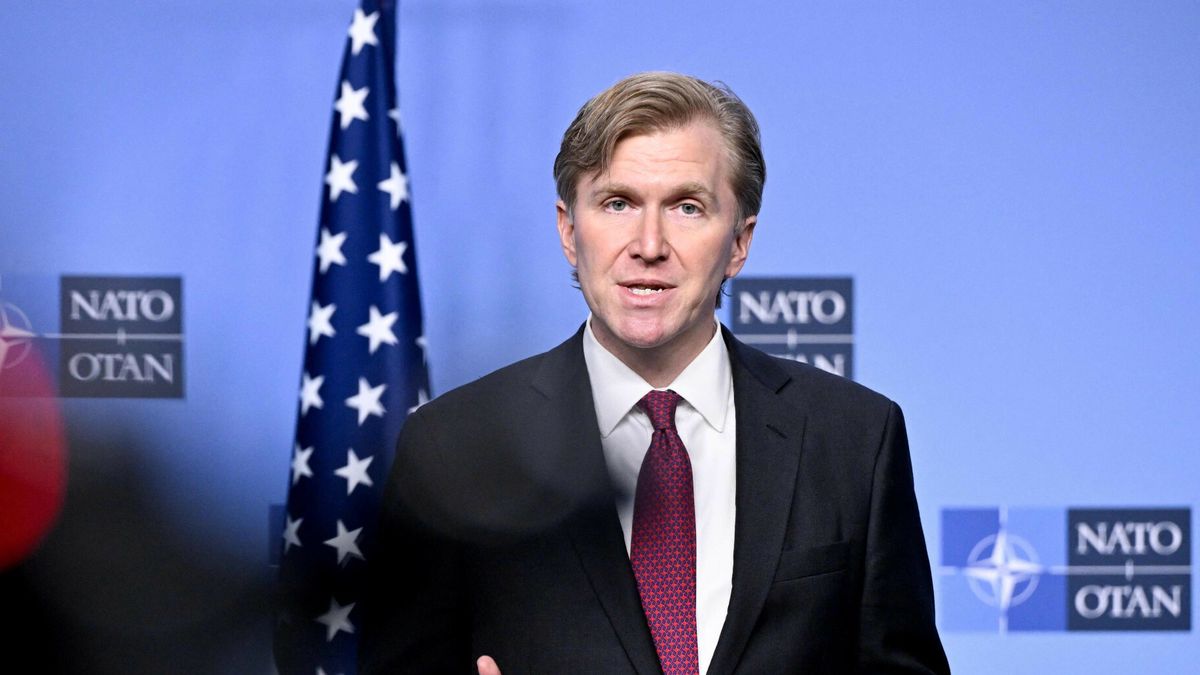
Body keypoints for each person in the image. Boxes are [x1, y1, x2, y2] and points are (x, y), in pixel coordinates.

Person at [360, 71, 950, 674]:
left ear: (740, 242)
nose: (649, 244)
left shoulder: (853, 437)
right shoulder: (454, 446)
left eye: (687, 207)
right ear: (568, 229)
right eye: (618, 203)